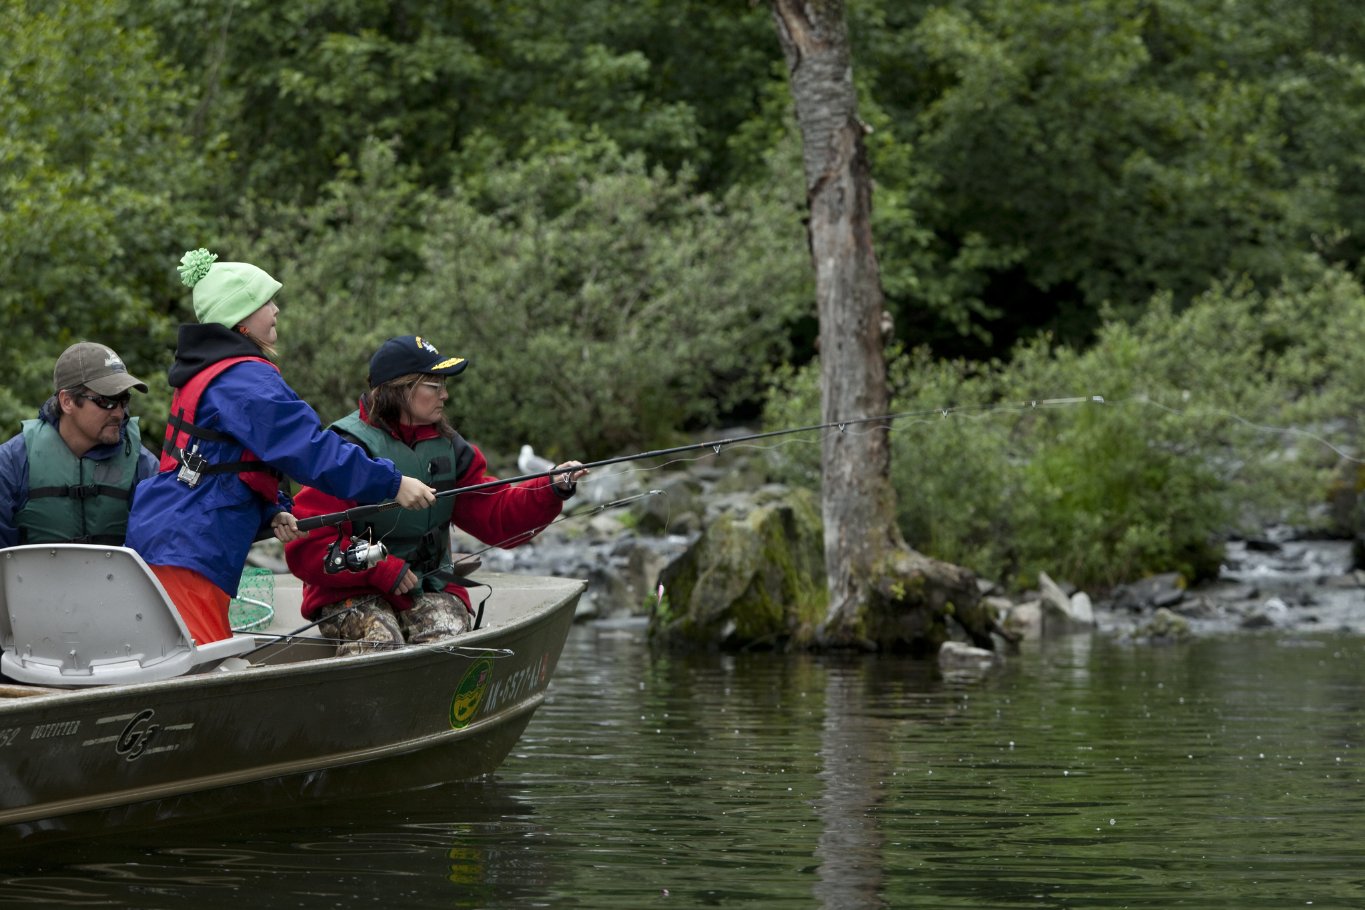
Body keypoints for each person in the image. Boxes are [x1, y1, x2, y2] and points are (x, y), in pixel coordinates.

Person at [125, 249, 438, 646]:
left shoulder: (217, 373)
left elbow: (230, 460)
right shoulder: (244, 379)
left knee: (197, 659)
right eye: (265, 302)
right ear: (240, 317)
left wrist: (273, 509)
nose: (275, 309)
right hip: (189, 548)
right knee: (197, 673)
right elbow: (309, 450)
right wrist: (391, 484)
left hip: (181, 539)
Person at [284, 335, 587, 654]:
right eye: (434, 385)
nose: (445, 394)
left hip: (429, 585)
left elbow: (496, 515)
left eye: (443, 384)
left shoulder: (452, 449)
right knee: (380, 643)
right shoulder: (345, 450)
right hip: (350, 590)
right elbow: (307, 545)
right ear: (400, 390)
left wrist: (552, 486)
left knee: (448, 646)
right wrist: (382, 569)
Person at [0, 342, 159, 547]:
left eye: (124, 399)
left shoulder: (143, 465)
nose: (119, 412)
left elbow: (158, 548)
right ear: (67, 401)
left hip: (115, 580)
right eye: (107, 400)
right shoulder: (11, 463)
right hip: (32, 579)